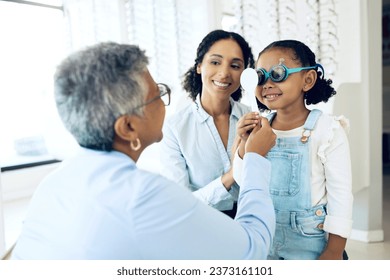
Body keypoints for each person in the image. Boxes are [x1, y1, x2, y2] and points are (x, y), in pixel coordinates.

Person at [11, 42, 276, 260]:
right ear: (127, 127)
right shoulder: (146, 196)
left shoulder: (54, 182)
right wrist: (252, 159)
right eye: (157, 94)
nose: (163, 101)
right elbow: (252, 250)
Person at [233, 39, 353, 260]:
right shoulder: (260, 129)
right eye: (260, 77)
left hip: (310, 245)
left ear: (307, 80)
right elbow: (244, 180)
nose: (267, 84)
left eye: (278, 73)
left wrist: (334, 251)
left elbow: (341, 196)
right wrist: (244, 145)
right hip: (265, 238)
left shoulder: (328, 130)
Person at [160, 30, 255, 218]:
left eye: (235, 66)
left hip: (251, 220)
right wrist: (231, 176)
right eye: (215, 62)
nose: (224, 73)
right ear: (199, 66)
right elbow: (180, 204)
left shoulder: (252, 118)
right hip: (202, 224)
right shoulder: (175, 128)